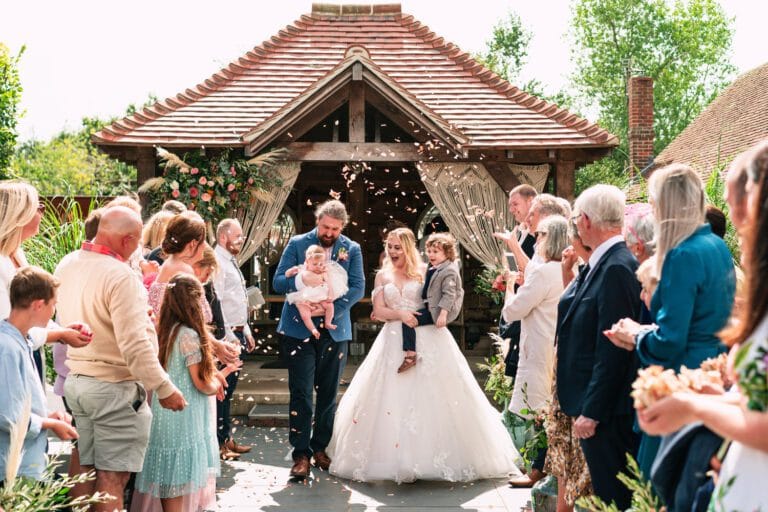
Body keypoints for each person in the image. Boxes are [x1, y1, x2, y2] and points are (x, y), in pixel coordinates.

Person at [327, 227, 523, 482]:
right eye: (390, 246)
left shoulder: (426, 271)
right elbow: (380, 311)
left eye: (398, 247)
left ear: (408, 247)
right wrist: (400, 315)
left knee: (437, 394)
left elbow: (446, 294)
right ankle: (394, 458)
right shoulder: (382, 276)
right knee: (389, 395)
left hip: (429, 337)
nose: (393, 251)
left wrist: (441, 314)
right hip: (393, 338)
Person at [637, 141, 768, 512]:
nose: (736, 224)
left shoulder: (685, 254)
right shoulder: (715, 248)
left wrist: (694, 406)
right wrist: (719, 399)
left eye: (744, 212)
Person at [604, 164, 736, 476]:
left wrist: (636, 334)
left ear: (666, 207)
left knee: (659, 484)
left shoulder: (682, 255)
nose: (652, 212)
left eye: (653, 204)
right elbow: (697, 322)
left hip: (680, 383)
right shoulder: (716, 246)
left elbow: (671, 341)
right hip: (710, 376)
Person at [55, 206, 186, 512]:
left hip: (79, 380)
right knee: (113, 477)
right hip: (114, 386)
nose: (140, 248)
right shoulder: (120, 275)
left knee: (84, 464)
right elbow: (134, 345)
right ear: (127, 240)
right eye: (138, 241)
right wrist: (165, 388)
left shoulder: (68, 263)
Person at [555, 184, 642, 509]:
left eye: (577, 219)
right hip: (593, 405)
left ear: (587, 220)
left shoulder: (617, 267)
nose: (576, 225)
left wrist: (591, 411)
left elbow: (613, 349)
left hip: (607, 412)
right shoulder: (599, 263)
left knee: (614, 499)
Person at [273, 200, 365, 479]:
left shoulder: (351, 248)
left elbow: (359, 286)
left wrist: (332, 306)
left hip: (334, 328)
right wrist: (302, 285)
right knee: (300, 391)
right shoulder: (298, 243)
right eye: (325, 227)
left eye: (335, 229)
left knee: (328, 393)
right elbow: (278, 281)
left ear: (342, 227)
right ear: (317, 220)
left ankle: (320, 447)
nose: (329, 232)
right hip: (298, 328)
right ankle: (300, 453)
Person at [133, 274, 235, 512]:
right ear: (194, 302)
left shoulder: (165, 331)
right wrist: (218, 383)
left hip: (164, 413)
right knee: (177, 482)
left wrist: (219, 375)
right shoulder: (188, 335)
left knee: (169, 480)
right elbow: (199, 382)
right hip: (183, 415)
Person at [0, 181, 93, 384]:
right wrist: (59, 334)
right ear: (20, 215)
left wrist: (58, 328)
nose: (42, 212)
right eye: (38, 207)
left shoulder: (16, 253)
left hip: (28, 351)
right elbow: (8, 324)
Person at [501, 216, 568, 488]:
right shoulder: (568, 267)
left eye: (540, 234)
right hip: (558, 345)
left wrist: (509, 286)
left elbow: (513, 310)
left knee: (541, 411)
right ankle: (542, 468)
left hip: (540, 348)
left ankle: (539, 471)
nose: (536, 239)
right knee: (550, 408)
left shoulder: (543, 272)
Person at [0, 266, 78, 483]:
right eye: (53, 304)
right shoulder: (7, 348)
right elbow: (8, 415)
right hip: (12, 469)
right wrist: (50, 424)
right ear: (38, 305)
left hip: (25, 462)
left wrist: (48, 417)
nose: (54, 311)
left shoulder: (20, 339)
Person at [544, 219, 594, 511]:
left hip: (577, 368)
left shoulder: (602, 270)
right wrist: (567, 272)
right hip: (564, 363)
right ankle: (563, 507)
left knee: (576, 450)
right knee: (562, 444)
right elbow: (571, 307)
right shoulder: (584, 271)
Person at [213, 218, 257, 459]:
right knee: (223, 389)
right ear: (223, 237)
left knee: (230, 391)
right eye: (237, 236)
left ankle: (227, 438)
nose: (241, 240)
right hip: (226, 335)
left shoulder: (231, 261)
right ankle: (219, 442)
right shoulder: (217, 262)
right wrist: (229, 335)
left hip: (238, 330)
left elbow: (237, 300)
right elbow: (217, 301)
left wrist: (246, 330)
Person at [397, 232, 463, 373]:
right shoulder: (434, 267)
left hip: (438, 310)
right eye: (429, 251)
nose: (431, 255)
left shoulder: (449, 270)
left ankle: (411, 355)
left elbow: (449, 294)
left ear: (447, 253)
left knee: (408, 320)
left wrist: (443, 314)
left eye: (436, 252)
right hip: (429, 306)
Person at [493, 184, 537, 380]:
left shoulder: (540, 234)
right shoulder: (519, 231)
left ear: (531, 201)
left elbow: (533, 268)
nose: (512, 210)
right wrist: (506, 275)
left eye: (515, 204)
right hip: (518, 298)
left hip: (532, 303)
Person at [285, 244, 348, 339]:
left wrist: (330, 295)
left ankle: (328, 322)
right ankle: (313, 329)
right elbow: (287, 275)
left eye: (321, 264)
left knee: (330, 306)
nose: (318, 266)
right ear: (307, 262)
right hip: (306, 297)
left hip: (320, 296)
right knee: (304, 312)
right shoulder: (302, 268)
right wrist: (290, 272)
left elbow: (329, 284)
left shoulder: (324, 272)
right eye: (315, 264)